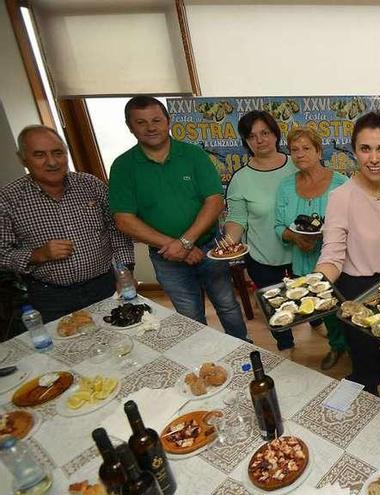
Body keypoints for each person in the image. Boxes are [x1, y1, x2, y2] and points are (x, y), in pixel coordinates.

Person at [108, 96, 249, 341]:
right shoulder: (123, 166)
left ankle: (245, 349)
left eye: (156, 120)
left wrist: (185, 242)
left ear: (168, 121)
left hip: (210, 249)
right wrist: (178, 247)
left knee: (228, 306)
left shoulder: (193, 155)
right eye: (141, 122)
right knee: (189, 315)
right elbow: (124, 220)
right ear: (130, 127)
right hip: (166, 258)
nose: (150, 127)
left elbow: (214, 201)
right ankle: (204, 360)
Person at [316, 111, 380, 396]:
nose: (374, 158)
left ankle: (356, 384)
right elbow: (332, 254)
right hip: (356, 288)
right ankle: (366, 400)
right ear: (354, 151)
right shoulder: (341, 197)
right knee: (365, 355)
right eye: (365, 148)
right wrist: (312, 286)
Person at [0, 125, 135, 322]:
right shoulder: (8, 199)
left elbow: (117, 230)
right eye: (40, 155)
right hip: (51, 296)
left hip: (103, 286)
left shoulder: (91, 184)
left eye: (58, 153)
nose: (52, 162)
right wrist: (38, 255)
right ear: (23, 158)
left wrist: (126, 271)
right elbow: (2, 254)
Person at [276, 127, 348, 369]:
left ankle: (352, 349)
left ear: (319, 151)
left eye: (306, 148)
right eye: (294, 150)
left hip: (339, 262)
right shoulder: (285, 186)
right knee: (322, 308)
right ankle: (337, 346)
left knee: (342, 307)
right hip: (303, 261)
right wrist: (295, 237)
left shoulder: (341, 183)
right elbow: (278, 225)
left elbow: (354, 224)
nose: (300, 154)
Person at [224, 110, 296, 350]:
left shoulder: (298, 166)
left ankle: (318, 327)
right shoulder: (241, 179)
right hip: (263, 257)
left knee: (309, 300)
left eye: (265, 132)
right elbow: (236, 219)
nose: (260, 140)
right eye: (252, 136)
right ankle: (286, 345)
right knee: (275, 309)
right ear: (246, 142)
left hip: (302, 253)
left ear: (276, 134)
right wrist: (229, 243)